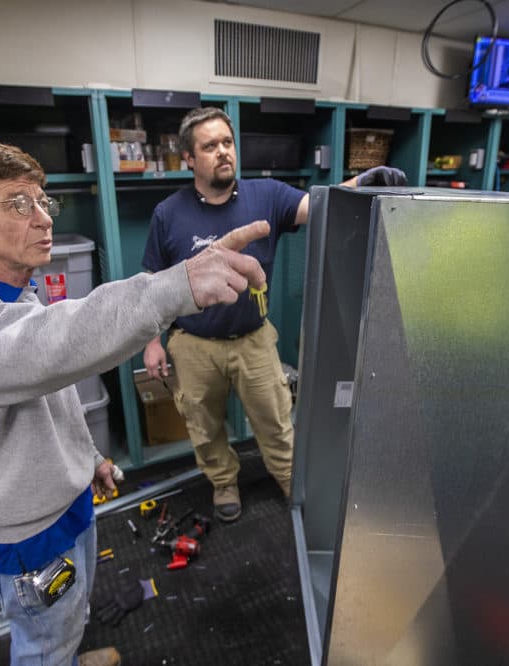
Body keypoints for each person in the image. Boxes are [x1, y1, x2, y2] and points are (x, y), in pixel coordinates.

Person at [0, 138, 269, 666]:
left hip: (69, 506)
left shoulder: (20, 296)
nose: (42, 218)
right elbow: (54, 344)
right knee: (42, 644)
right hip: (28, 539)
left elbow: (51, 389)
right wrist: (178, 285)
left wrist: (86, 461)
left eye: (41, 201)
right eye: (17, 203)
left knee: (70, 616)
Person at [141, 107, 406, 522]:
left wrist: (361, 183)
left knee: (277, 421)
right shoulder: (167, 214)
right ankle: (224, 482)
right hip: (193, 344)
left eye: (227, 143)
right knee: (204, 426)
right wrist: (152, 342)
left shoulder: (267, 195)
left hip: (254, 338)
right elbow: (151, 283)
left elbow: (319, 203)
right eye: (210, 146)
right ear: (189, 158)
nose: (223, 152)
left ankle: (288, 479)